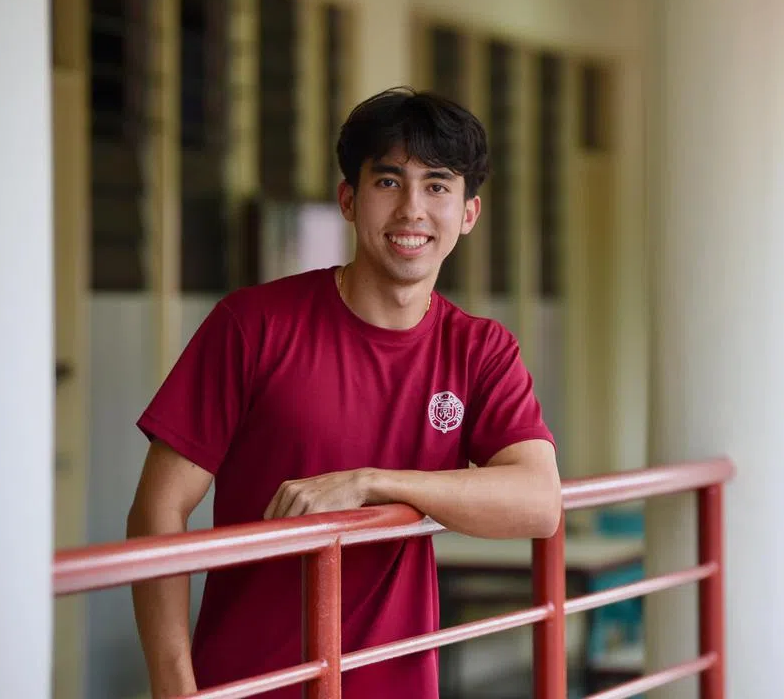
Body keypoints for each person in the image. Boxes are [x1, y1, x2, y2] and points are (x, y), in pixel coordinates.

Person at [126, 86, 562, 698]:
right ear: (348, 200)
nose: (413, 209)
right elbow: (157, 510)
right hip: (254, 683)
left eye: (437, 185)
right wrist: (175, 690)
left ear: (468, 213)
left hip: (399, 683)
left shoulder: (479, 349)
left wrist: (373, 481)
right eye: (389, 182)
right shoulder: (254, 325)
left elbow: (539, 501)